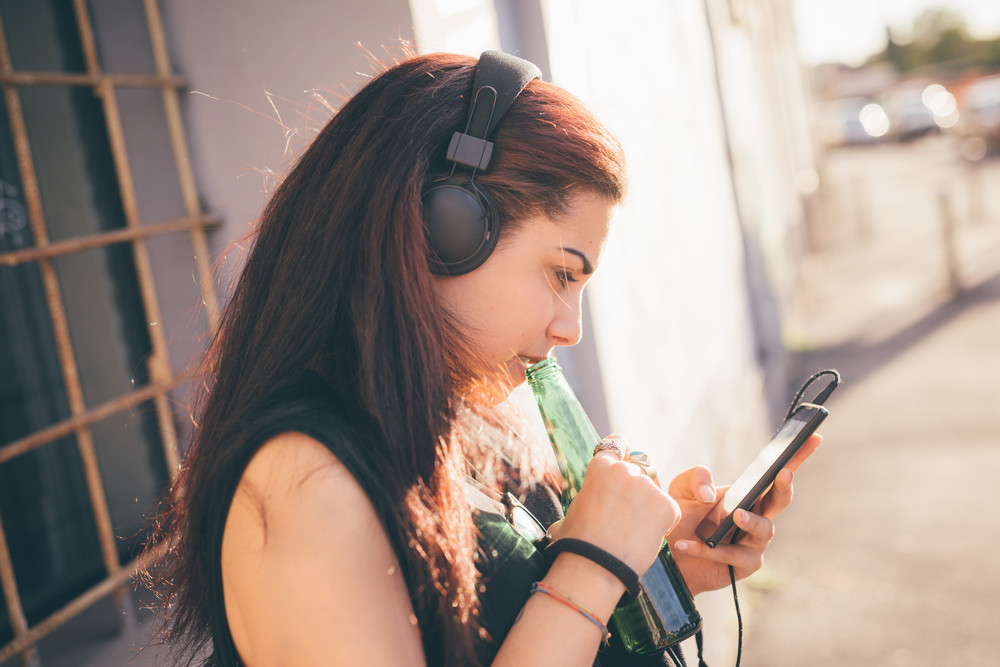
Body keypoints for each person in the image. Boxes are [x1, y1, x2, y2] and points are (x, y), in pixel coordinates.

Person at [148, 50, 820, 667]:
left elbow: (516, 619)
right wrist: (592, 562)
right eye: (562, 273)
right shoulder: (302, 480)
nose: (570, 328)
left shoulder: (459, 422)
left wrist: (644, 563)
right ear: (445, 227)